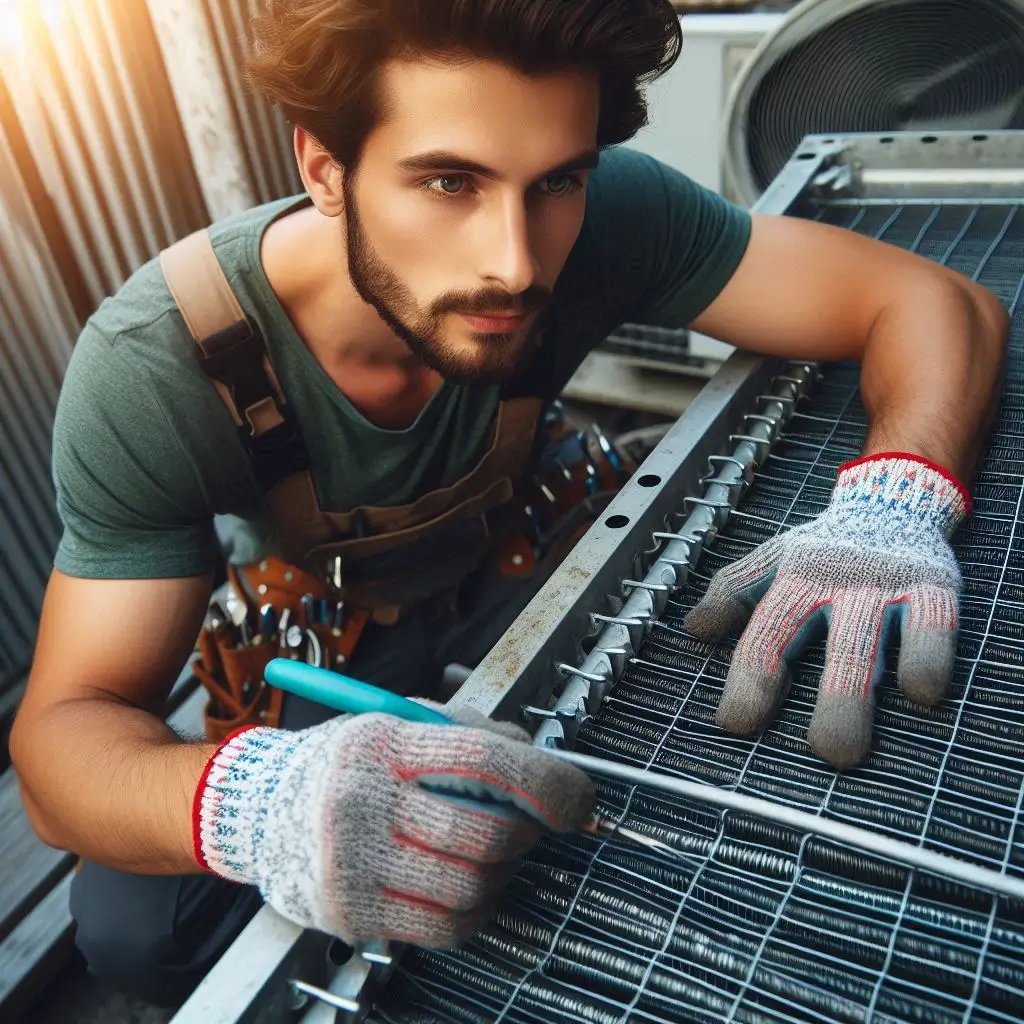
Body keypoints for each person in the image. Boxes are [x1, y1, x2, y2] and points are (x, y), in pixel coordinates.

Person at [10, 0, 1008, 1010]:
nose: (516, 263)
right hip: (335, 622)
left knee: (744, 732)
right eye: (449, 182)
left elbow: (932, 301)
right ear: (324, 169)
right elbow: (62, 739)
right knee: (138, 928)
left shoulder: (610, 216)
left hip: (531, 537)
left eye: (556, 181)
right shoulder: (156, 366)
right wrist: (265, 803)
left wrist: (894, 500)